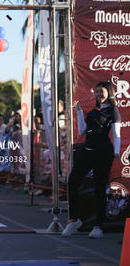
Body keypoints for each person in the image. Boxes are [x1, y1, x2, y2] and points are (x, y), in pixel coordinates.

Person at [62, 81, 121, 239]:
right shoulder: (93, 111)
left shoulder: (113, 111)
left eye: (101, 91)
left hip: (103, 153)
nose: (99, 94)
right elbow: (82, 131)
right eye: (97, 91)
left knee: (99, 188)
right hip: (87, 152)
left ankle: (98, 226)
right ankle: (74, 220)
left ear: (109, 92)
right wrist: (79, 113)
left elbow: (116, 134)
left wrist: (116, 152)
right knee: (73, 182)